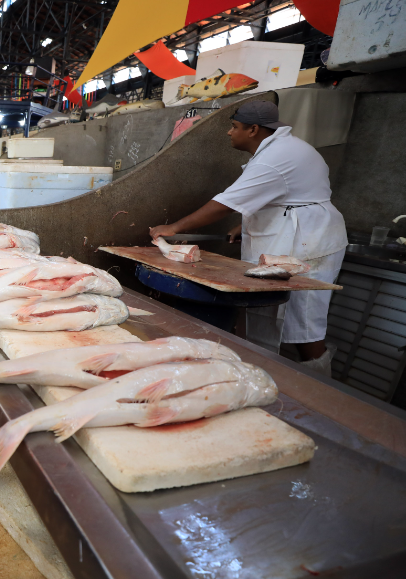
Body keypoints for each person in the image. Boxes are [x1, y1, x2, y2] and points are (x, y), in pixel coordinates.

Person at [149, 100, 348, 376]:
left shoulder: (275, 157)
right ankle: (262, 376)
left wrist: (174, 228)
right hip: (299, 231)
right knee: (283, 317)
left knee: (303, 324)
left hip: (307, 240)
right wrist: (245, 226)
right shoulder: (285, 148)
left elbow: (225, 204)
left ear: (253, 129)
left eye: (234, 127)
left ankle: (321, 392)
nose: (230, 133)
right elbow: (286, 196)